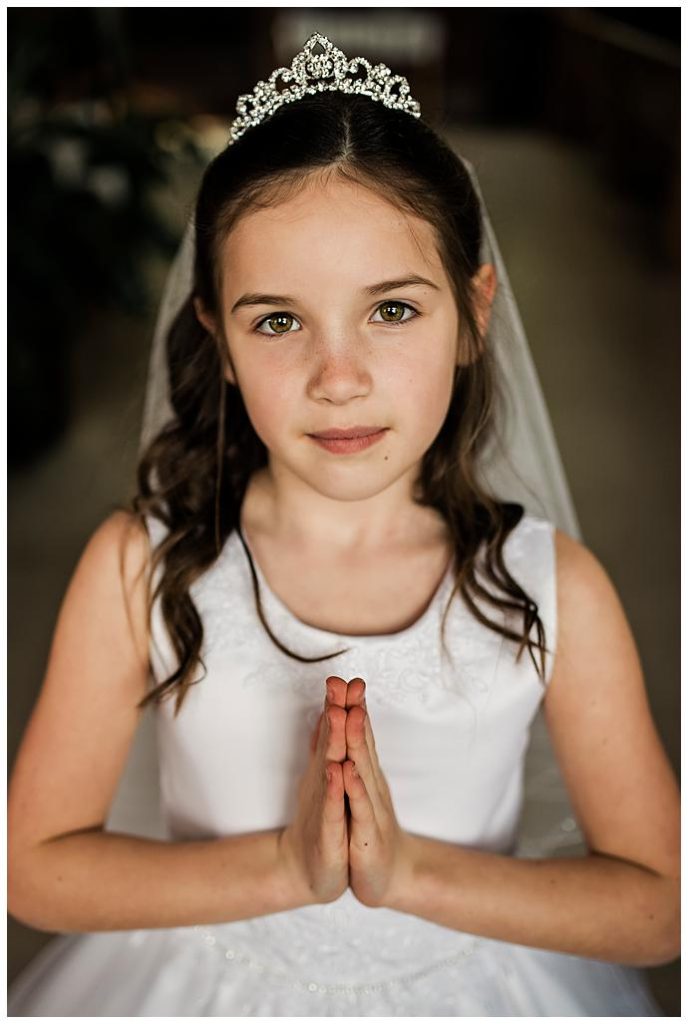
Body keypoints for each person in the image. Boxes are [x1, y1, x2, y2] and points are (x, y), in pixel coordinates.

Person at [8, 33, 678, 1016]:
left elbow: (658, 904)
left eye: (392, 310)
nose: (338, 376)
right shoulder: (142, 567)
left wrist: (406, 875)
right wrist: (284, 867)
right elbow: (32, 866)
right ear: (218, 342)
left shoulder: (552, 585)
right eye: (277, 320)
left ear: (473, 309)